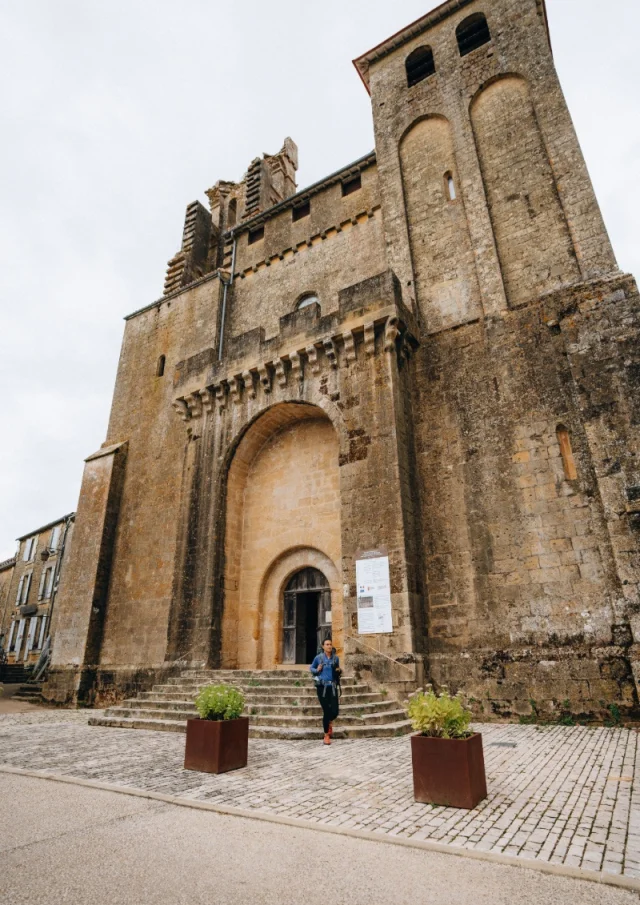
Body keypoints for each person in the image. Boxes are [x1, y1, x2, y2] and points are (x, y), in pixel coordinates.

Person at [310, 637, 341, 745]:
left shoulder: (335, 658)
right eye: (327, 644)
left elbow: (337, 670)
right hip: (322, 688)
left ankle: (329, 722)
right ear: (323, 646)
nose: (329, 646)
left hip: (332, 687)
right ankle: (326, 735)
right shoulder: (318, 658)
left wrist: (338, 671)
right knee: (327, 711)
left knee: (335, 711)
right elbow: (311, 669)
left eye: (330, 644)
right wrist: (317, 669)